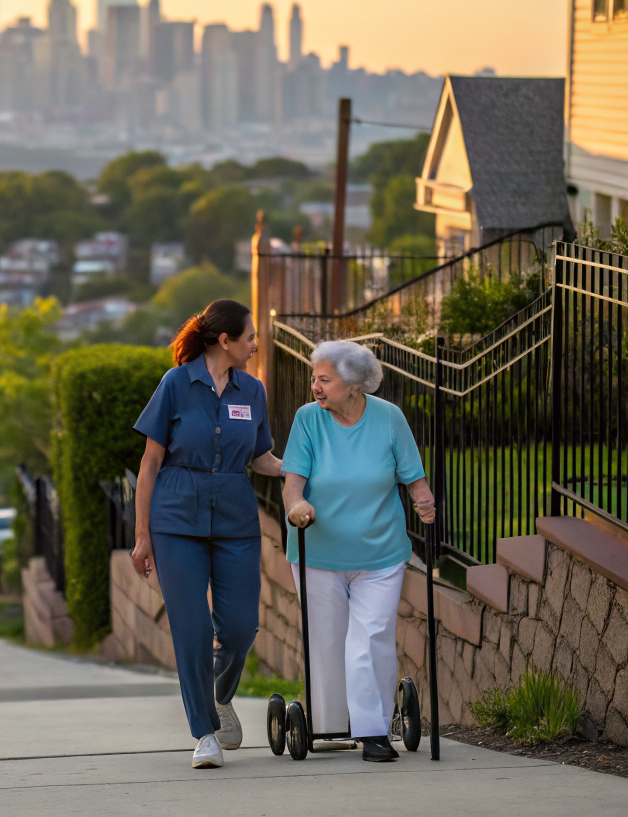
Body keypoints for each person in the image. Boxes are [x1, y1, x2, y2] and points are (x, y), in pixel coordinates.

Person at [130, 299, 283, 770]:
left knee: (240, 628)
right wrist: (142, 536)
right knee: (193, 629)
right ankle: (204, 734)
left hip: (236, 520)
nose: (256, 345)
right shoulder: (176, 384)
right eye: (250, 337)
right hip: (175, 522)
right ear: (225, 341)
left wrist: (303, 470)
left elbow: (261, 458)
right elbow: (150, 463)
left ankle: (219, 696)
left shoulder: (252, 390)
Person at [280, 340, 436, 763]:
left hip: (380, 554)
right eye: (314, 377)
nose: (315, 385)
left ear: (353, 385)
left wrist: (423, 502)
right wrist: (297, 506)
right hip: (318, 554)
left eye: (324, 379)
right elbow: (292, 483)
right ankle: (330, 726)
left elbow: (413, 476)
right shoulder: (307, 420)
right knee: (328, 643)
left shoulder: (389, 418)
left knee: (371, 638)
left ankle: (372, 732)